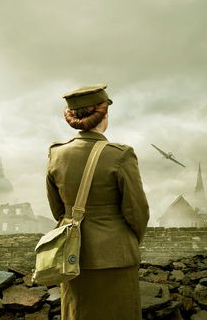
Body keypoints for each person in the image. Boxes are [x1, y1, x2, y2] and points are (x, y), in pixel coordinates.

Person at [46, 84, 149, 320]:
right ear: (105, 115)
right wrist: (128, 241)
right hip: (117, 255)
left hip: (72, 257)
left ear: (72, 119)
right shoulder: (120, 154)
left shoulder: (56, 154)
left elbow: (58, 210)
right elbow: (137, 211)